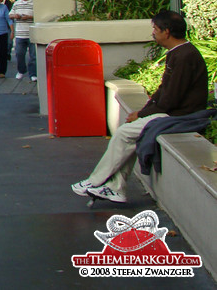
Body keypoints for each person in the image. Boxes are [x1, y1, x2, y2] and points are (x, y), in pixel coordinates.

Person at [72, 11, 208, 203]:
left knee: (123, 134)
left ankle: (95, 182)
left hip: (180, 116)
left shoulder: (185, 56)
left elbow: (171, 99)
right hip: (173, 112)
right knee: (128, 136)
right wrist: (144, 111)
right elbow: (164, 90)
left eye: (155, 29)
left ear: (166, 32)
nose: (153, 33)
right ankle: (115, 188)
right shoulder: (178, 54)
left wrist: (142, 114)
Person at [10, 0, 36, 81]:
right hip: (20, 34)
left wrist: (29, 17)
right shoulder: (17, 3)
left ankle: (33, 73)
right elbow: (10, 15)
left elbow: (39, 15)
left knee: (33, 55)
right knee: (19, 54)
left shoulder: (34, 3)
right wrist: (15, 16)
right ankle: (21, 70)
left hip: (31, 33)